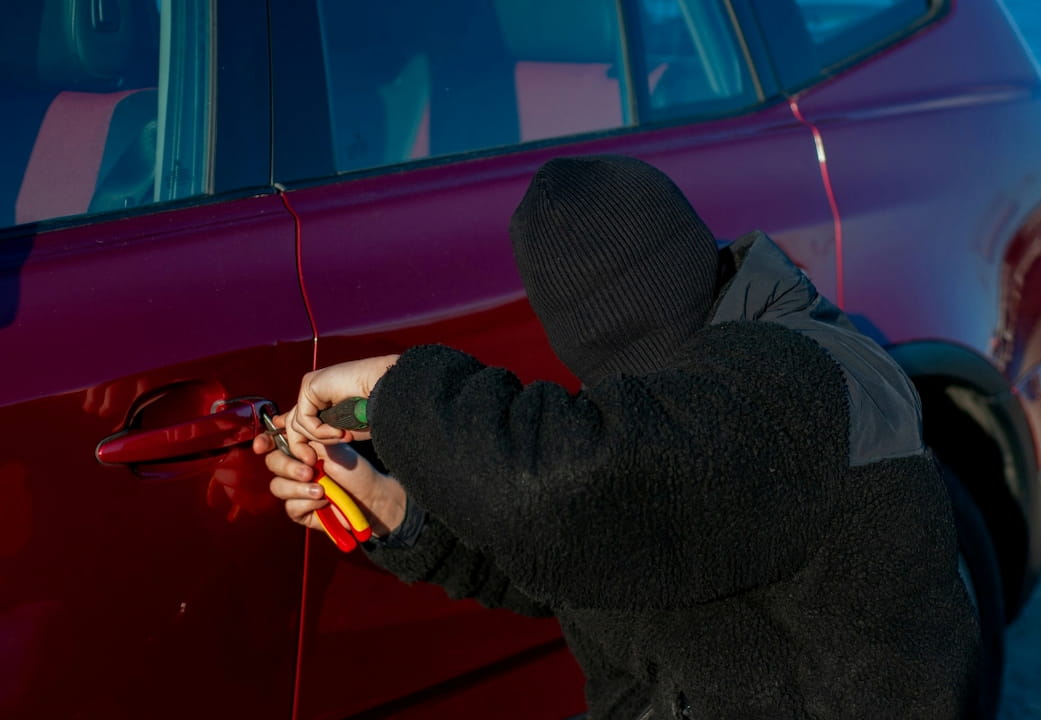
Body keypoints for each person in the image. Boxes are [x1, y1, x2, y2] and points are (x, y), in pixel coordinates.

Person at [257, 155, 981, 718]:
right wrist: (397, 510)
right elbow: (589, 561)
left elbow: (549, 495)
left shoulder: (786, 388)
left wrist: (394, 389)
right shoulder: (700, 414)